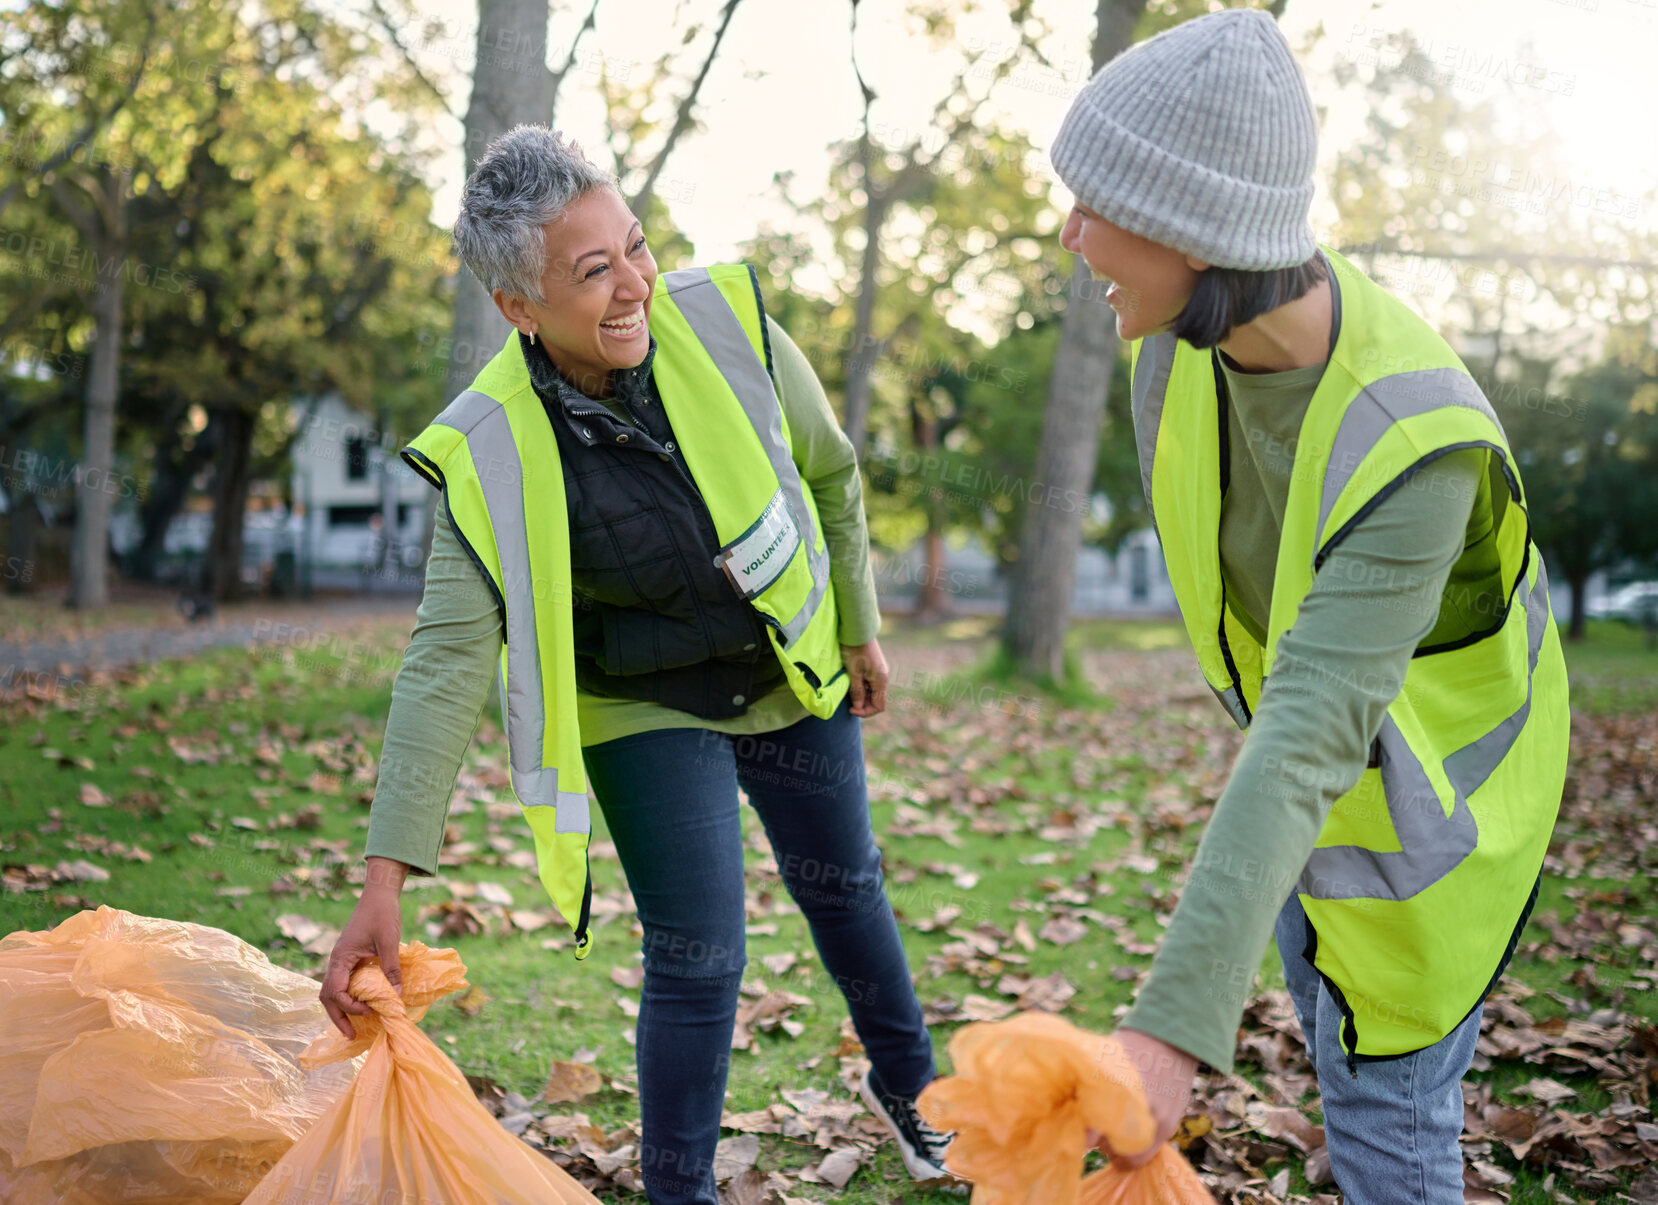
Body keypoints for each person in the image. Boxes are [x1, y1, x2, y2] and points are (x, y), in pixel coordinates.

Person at [319, 126, 955, 1205]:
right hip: (640, 703)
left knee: (847, 894)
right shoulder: (487, 446)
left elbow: (832, 467)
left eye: (637, 247)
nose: (633, 285)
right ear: (521, 309)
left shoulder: (722, 317)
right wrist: (385, 879)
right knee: (699, 952)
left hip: (782, 673)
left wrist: (857, 621)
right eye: (593, 270)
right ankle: (679, 1193)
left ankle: (921, 1105)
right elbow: (443, 663)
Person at [1046, 11, 1569, 1203]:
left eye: (1095, 204)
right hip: (1311, 793)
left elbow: (1314, 718)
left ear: (1194, 229)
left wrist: (1169, 1030)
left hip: (1444, 827)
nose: (1069, 234)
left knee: (1389, 1114)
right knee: (1339, 1058)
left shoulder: (1416, 438)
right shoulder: (1171, 356)